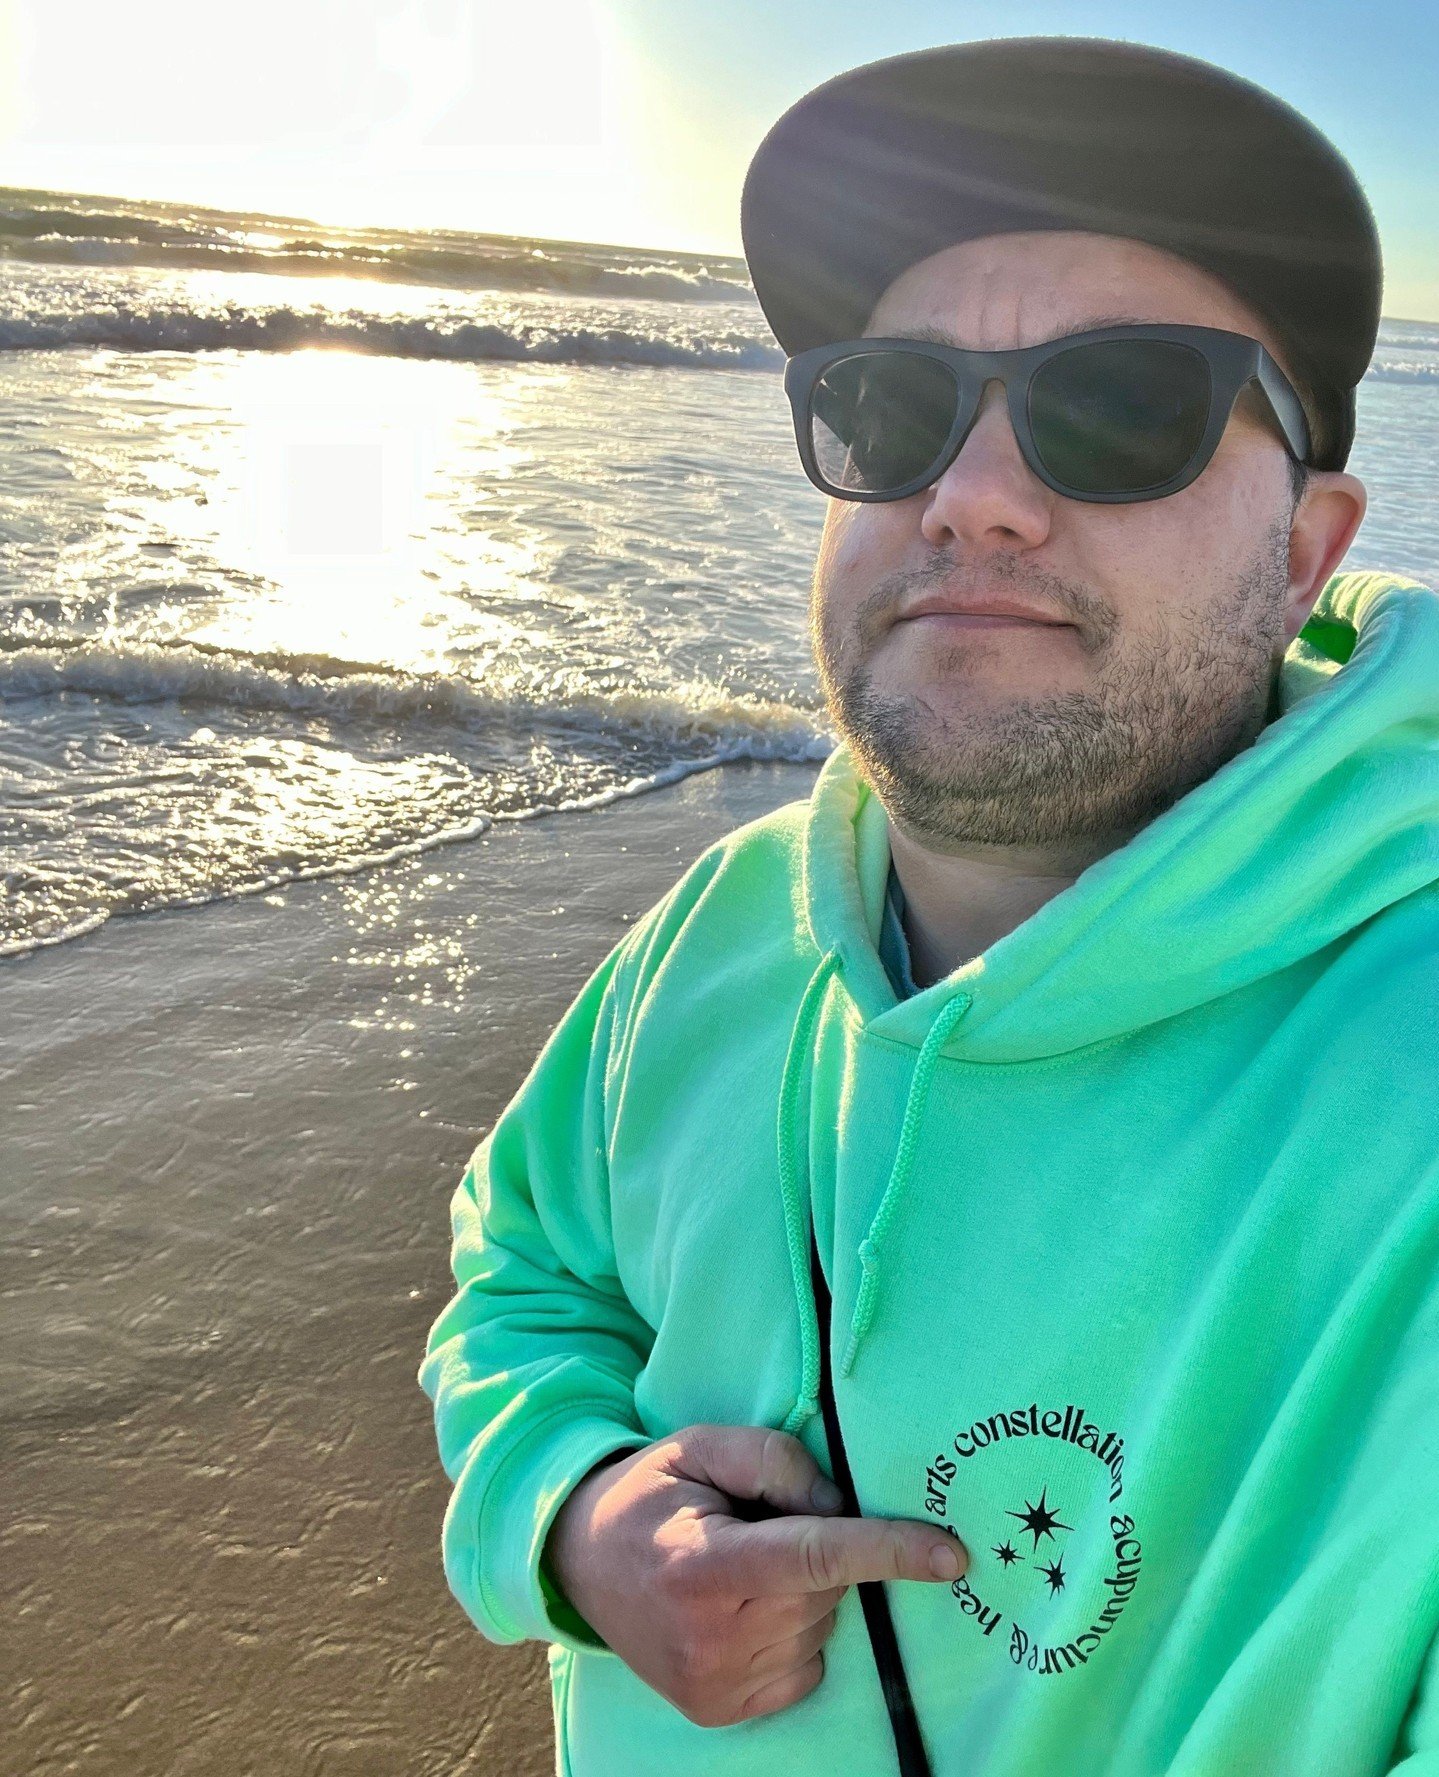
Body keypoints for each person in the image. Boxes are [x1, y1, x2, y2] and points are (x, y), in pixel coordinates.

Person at [418, 38, 1439, 1777]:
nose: (968, 492)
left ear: (1305, 548)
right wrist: (580, 1514)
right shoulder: (719, 930)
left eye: (1122, 407)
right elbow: (526, 1266)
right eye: (891, 405)